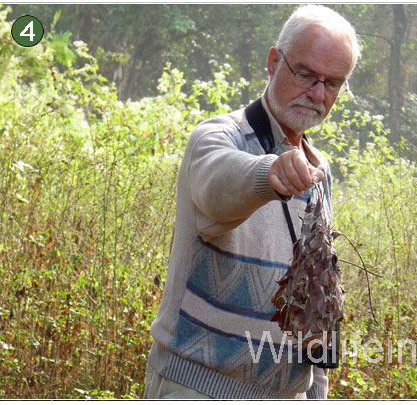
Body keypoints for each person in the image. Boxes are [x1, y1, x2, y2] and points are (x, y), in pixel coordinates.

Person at [143, 5, 360, 399]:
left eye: (332, 83)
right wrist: (269, 175)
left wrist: (316, 393)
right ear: (274, 61)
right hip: (196, 388)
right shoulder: (216, 138)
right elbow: (217, 185)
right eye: (306, 74)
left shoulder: (319, 169)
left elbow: (318, 295)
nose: (317, 94)